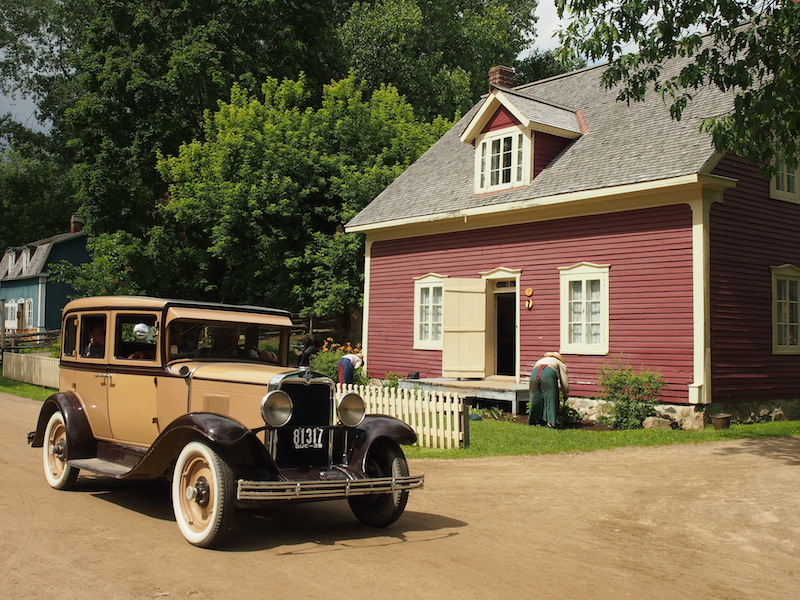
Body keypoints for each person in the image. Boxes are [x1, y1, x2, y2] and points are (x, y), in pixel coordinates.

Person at [528, 352, 569, 428]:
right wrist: (565, 393)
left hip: (534, 373)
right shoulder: (560, 363)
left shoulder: (541, 360)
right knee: (551, 397)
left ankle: (534, 420)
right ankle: (550, 422)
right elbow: (564, 380)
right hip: (548, 373)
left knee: (536, 396)